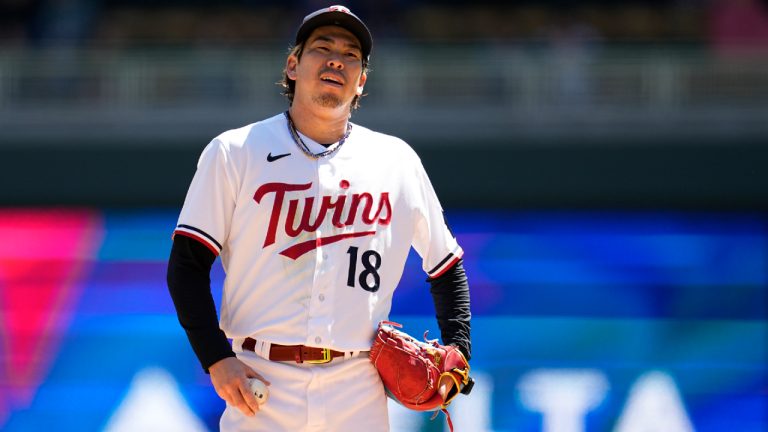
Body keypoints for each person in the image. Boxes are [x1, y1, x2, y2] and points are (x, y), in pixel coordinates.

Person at [166, 5, 471, 431]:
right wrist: (216, 358)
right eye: (322, 48)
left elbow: (447, 265)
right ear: (292, 66)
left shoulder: (396, 161)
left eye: (350, 55)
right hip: (262, 382)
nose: (336, 60)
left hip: (358, 386)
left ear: (361, 81)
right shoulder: (236, 152)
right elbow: (186, 266)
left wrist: (459, 351)